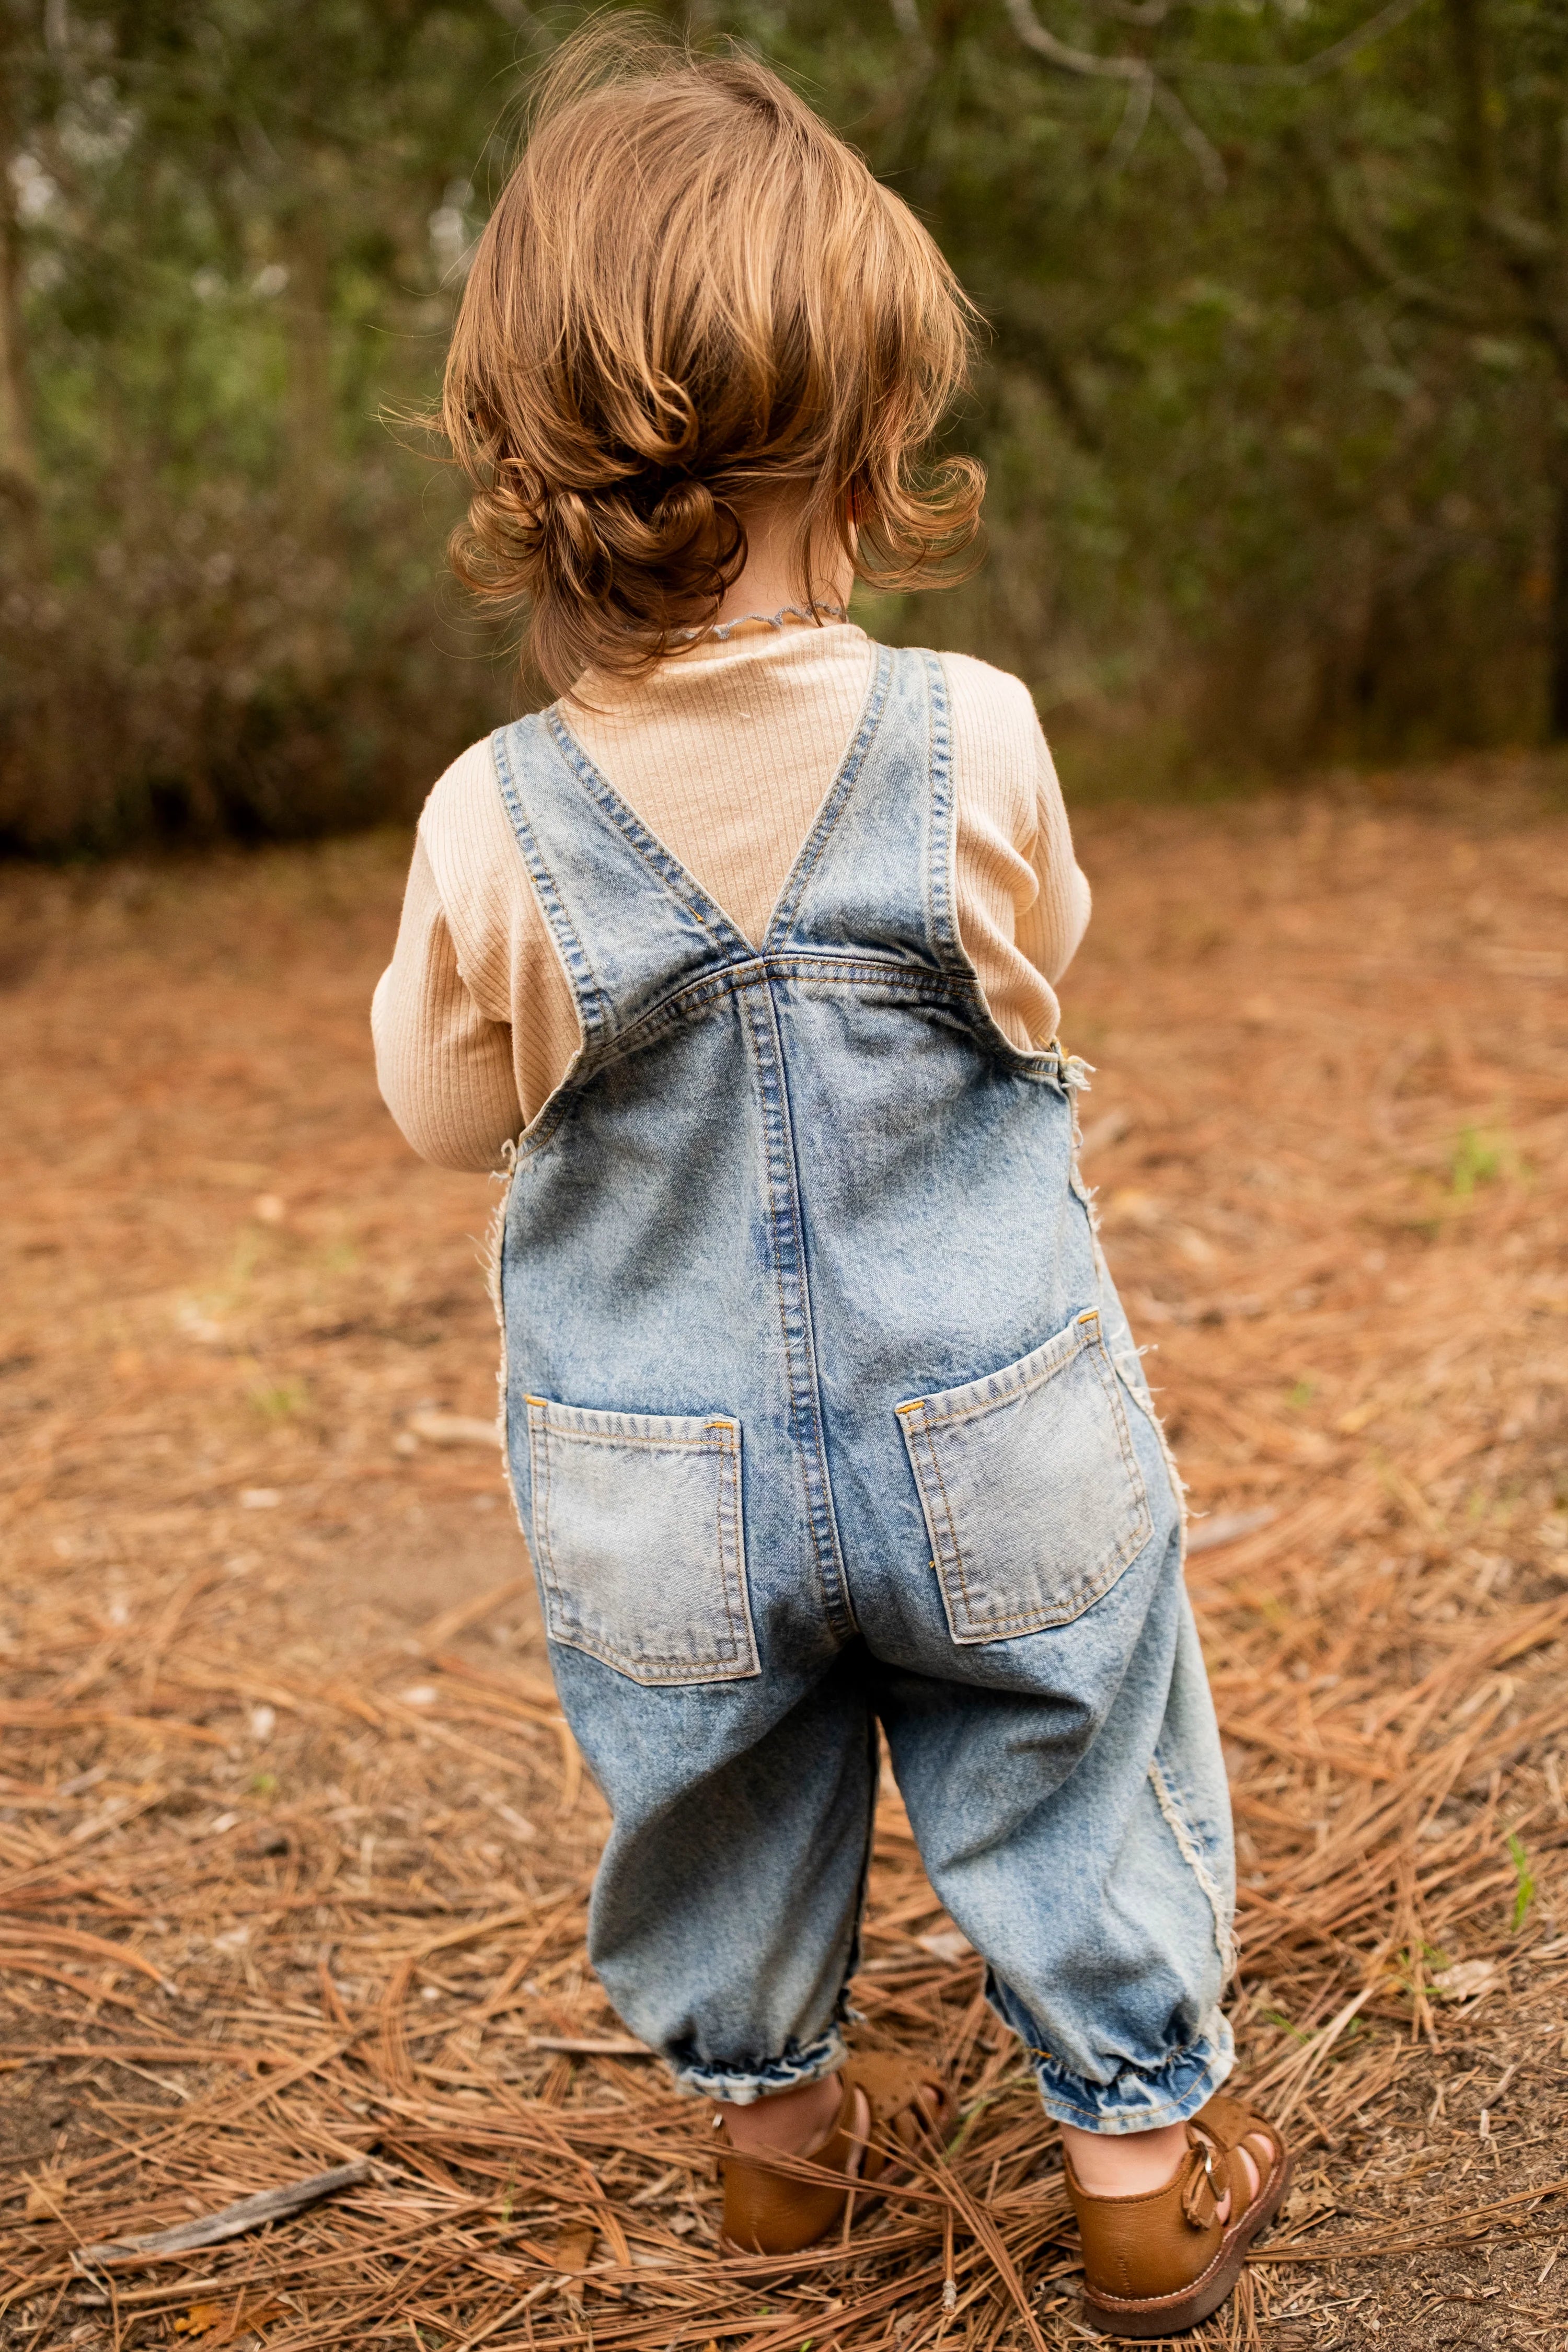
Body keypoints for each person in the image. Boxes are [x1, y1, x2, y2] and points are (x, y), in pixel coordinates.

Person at [372, 21, 1289, 2336]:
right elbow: (1039, 967)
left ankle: (776, 2157)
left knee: (715, 1773)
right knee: (1066, 1738)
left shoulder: (492, 813)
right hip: (993, 1425)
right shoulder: (973, 731)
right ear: (875, 439)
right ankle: (1141, 2173)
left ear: (536, 462)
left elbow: (442, 1112)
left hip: (664, 1472)